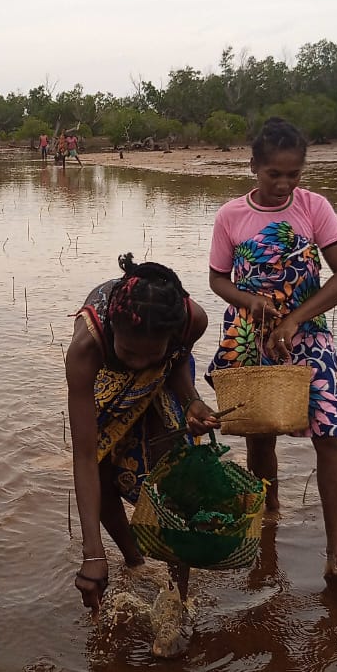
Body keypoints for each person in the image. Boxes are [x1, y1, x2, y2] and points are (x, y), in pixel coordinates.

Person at [205, 117, 337, 584]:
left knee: (330, 435)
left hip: (308, 335)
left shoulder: (315, 208)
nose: (284, 184)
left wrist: (294, 319)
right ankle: (268, 518)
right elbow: (216, 279)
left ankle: (335, 555)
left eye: (293, 174)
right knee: (261, 434)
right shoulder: (231, 216)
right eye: (274, 173)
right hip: (252, 336)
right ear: (254, 166)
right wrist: (249, 301)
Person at [65, 253, 219, 617]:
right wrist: (93, 553)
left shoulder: (191, 321)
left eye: (149, 352)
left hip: (166, 374)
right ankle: (134, 562)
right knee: (102, 466)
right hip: (108, 378)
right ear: (114, 331)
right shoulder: (88, 347)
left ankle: (178, 594)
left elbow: (177, 359)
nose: (138, 361)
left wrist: (193, 402)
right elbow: (84, 456)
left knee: (173, 475)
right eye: (129, 352)